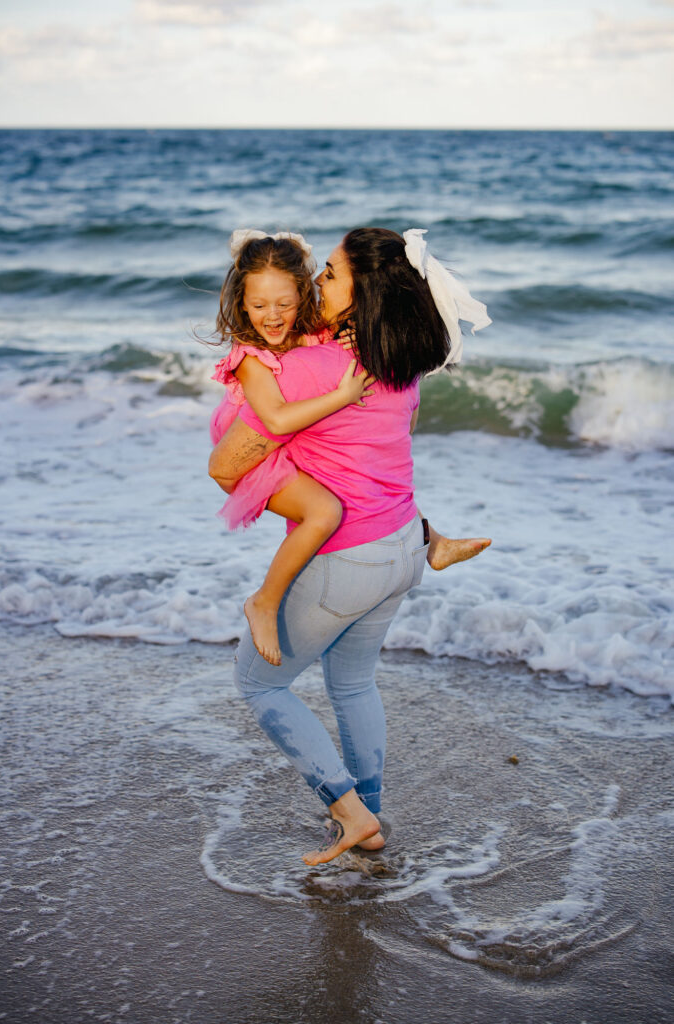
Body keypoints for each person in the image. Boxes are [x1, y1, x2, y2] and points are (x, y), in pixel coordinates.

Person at [208, 228, 492, 866]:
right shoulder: (399, 363)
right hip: (402, 551)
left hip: (348, 557)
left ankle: (348, 811)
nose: (317, 285)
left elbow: (226, 468)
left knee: (261, 685)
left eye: (330, 275)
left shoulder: (300, 367)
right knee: (354, 683)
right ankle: (369, 814)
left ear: (362, 295)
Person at [208, 229, 375, 667]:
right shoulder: (249, 357)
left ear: (303, 295)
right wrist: (344, 395)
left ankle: (427, 538)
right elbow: (277, 419)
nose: (273, 317)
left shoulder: (312, 331)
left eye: (285, 304)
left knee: (366, 472)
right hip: (259, 456)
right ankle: (263, 602)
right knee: (325, 512)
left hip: (297, 440)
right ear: (241, 304)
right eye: (259, 306)